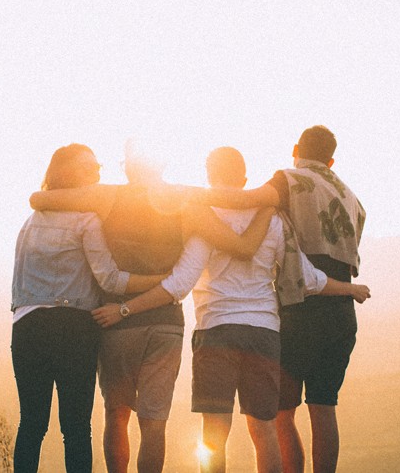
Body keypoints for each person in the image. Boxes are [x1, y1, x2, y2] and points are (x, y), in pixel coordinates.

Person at [93, 147, 370, 473]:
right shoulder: (273, 219)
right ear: (245, 177)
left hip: (216, 331)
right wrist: (349, 288)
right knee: (264, 430)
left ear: (209, 175)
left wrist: (126, 309)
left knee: (214, 433)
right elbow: (306, 278)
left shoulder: (204, 217)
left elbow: (180, 284)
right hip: (264, 333)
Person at [29, 143, 274, 473]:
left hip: (116, 322)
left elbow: (38, 199)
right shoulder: (186, 200)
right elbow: (242, 243)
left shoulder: (106, 196)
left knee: (116, 415)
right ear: (162, 163)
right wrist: (273, 200)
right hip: (166, 325)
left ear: (128, 166)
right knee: (153, 424)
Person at [192, 127, 366, 472]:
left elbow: (244, 201)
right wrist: (348, 289)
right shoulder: (351, 198)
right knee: (324, 406)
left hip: (298, 308)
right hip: (340, 309)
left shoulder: (289, 180)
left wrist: (184, 196)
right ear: (331, 160)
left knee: (281, 415)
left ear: (295, 149)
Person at [10, 144, 169, 472]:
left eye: (98, 164)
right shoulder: (87, 219)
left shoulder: (30, 222)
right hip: (73, 327)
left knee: (31, 424)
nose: (97, 171)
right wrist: (159, 280)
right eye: (89, 167)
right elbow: (110, 279)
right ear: (69, 174)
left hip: (26, 326)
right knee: (77, 428)